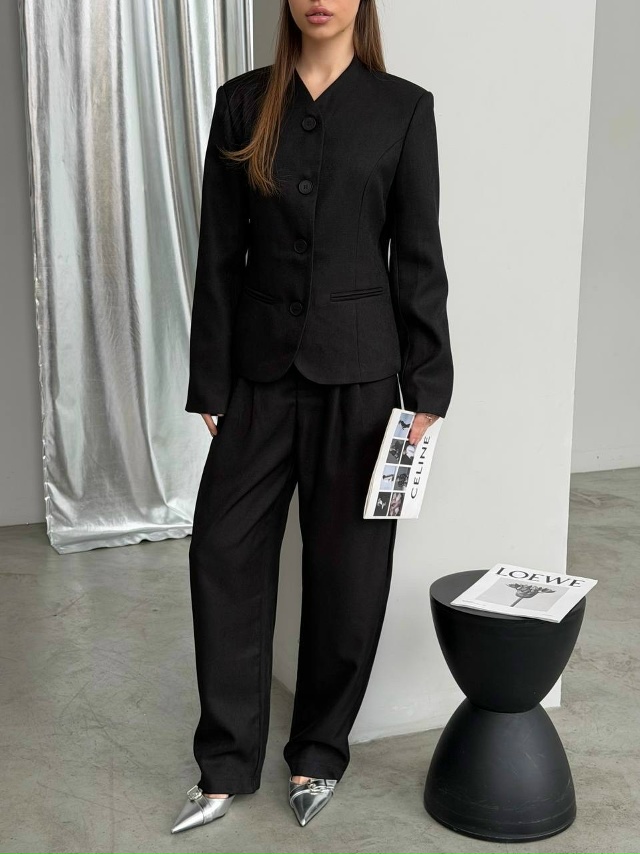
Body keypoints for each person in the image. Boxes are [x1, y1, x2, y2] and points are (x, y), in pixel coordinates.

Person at [171, 0, 454, 834]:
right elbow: (218, 253)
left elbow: (418, 255)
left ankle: (319, 753)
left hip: (362, 381)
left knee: (349, 573)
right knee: (221, 553)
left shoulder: (403, 109)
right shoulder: (241, 101)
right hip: (258, 377)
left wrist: (426, 386)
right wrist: (212, 381)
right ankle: (224, 764)